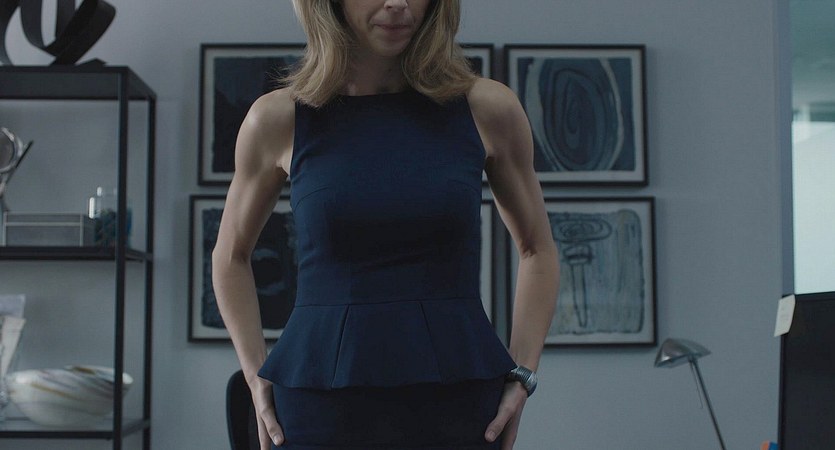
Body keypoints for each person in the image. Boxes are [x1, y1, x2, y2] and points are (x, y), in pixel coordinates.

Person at [212, 0, 560, 449]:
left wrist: (524, 372)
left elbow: (537, 249)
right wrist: (253, 374)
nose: (397, 3)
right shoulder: (276, 117)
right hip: (318, 404)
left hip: (459, 399)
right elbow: (230, 256)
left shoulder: (488, 107)